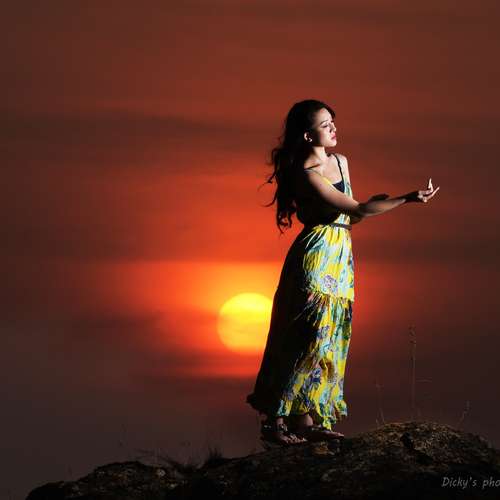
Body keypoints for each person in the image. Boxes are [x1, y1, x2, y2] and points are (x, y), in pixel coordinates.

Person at [245, 99, 440, 447]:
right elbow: (359, 208)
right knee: (307, 337)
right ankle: (274, 421)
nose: (334, 128)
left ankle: (306, 420)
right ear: (308, 135)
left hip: (341, 258)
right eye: (325, 124)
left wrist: (376, 205)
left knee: (331, 338)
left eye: (333, 121)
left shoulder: (341, 162)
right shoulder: (307, 174)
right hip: (316, 257)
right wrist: (405, 198)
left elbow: (354, 216)